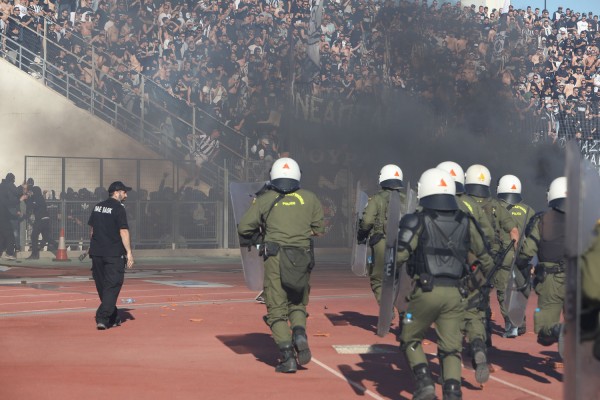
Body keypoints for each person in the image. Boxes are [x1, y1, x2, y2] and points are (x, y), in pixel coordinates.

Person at [397, 168, 493, 400]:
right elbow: (486, 259)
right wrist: (474, 284)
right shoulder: (467, 221)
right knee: (451, 348)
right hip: (456, 294)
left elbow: (399, 255)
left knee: (409, 338)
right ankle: (452, 391)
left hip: (426, 291)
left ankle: (423, 382)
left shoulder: (417, 220)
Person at [237, 157, 324, 373]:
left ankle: (287, 357)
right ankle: (300, 333)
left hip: (275, 258)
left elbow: (244, 228)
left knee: (276, 309)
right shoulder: (310, 198)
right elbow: (319, 229)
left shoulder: (265, 199)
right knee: (297, 303)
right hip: (302, 257)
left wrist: (261, 236)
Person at [437, 161, 493, 384]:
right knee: (474, 312)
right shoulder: (472, 205)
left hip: (445, 270)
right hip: (472, 268)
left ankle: (447, 371)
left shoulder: (433, 207)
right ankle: (478, 344)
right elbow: (487, 235)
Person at [464, 164, 519, 349]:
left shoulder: (462, 202)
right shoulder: (496, 205)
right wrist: (511, 251)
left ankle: (467, 335)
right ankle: (485, 338)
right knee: (486, 296)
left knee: (468, 296)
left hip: (468, 257)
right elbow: (513, 231)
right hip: (492, 258)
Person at [519, 177, 567, 347]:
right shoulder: (586, 221)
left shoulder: (542, 220)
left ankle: (558, 331)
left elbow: (526, 252)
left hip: (550, 281)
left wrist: (521, 264)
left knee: (544, 334)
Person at [87, 181, 135, 330]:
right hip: (113, 254)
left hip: (96, 253)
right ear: (117, 192)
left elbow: (92, 230)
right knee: (113, 285)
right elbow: (124, 231)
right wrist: (129, 252)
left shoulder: (97, 206)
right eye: (124, 192)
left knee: (102, 287)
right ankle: (102, 317)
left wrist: (93, 246)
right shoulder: (119, 208)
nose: (126, 195)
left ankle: (113, 317)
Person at [493, 175, 535, 338]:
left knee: (503, 290)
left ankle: (512, 323)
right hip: (523, 255)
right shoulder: (528, 210)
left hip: (504, 255)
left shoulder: (496, 207)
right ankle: (521, 321)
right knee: (520, 288)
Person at [357, 164, 405, 306]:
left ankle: (387, 309)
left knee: (378, 279)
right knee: (398, 278)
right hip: (403, 243)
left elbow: (367, 221)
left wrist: (361, 234)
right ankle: (402, 310)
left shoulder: (376, 199)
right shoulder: (406, 198)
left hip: (381, 243)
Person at [25, 186, 58, 259]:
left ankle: (34, 254)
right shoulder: (39, 197)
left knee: (34, 236)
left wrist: (28, 198)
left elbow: (31, 205)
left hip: (41, 220)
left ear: (35, 192)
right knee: (46, 237)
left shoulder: (37, 198)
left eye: (32, 191)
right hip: (45, 220)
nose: (31, 193)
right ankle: (57, 245)